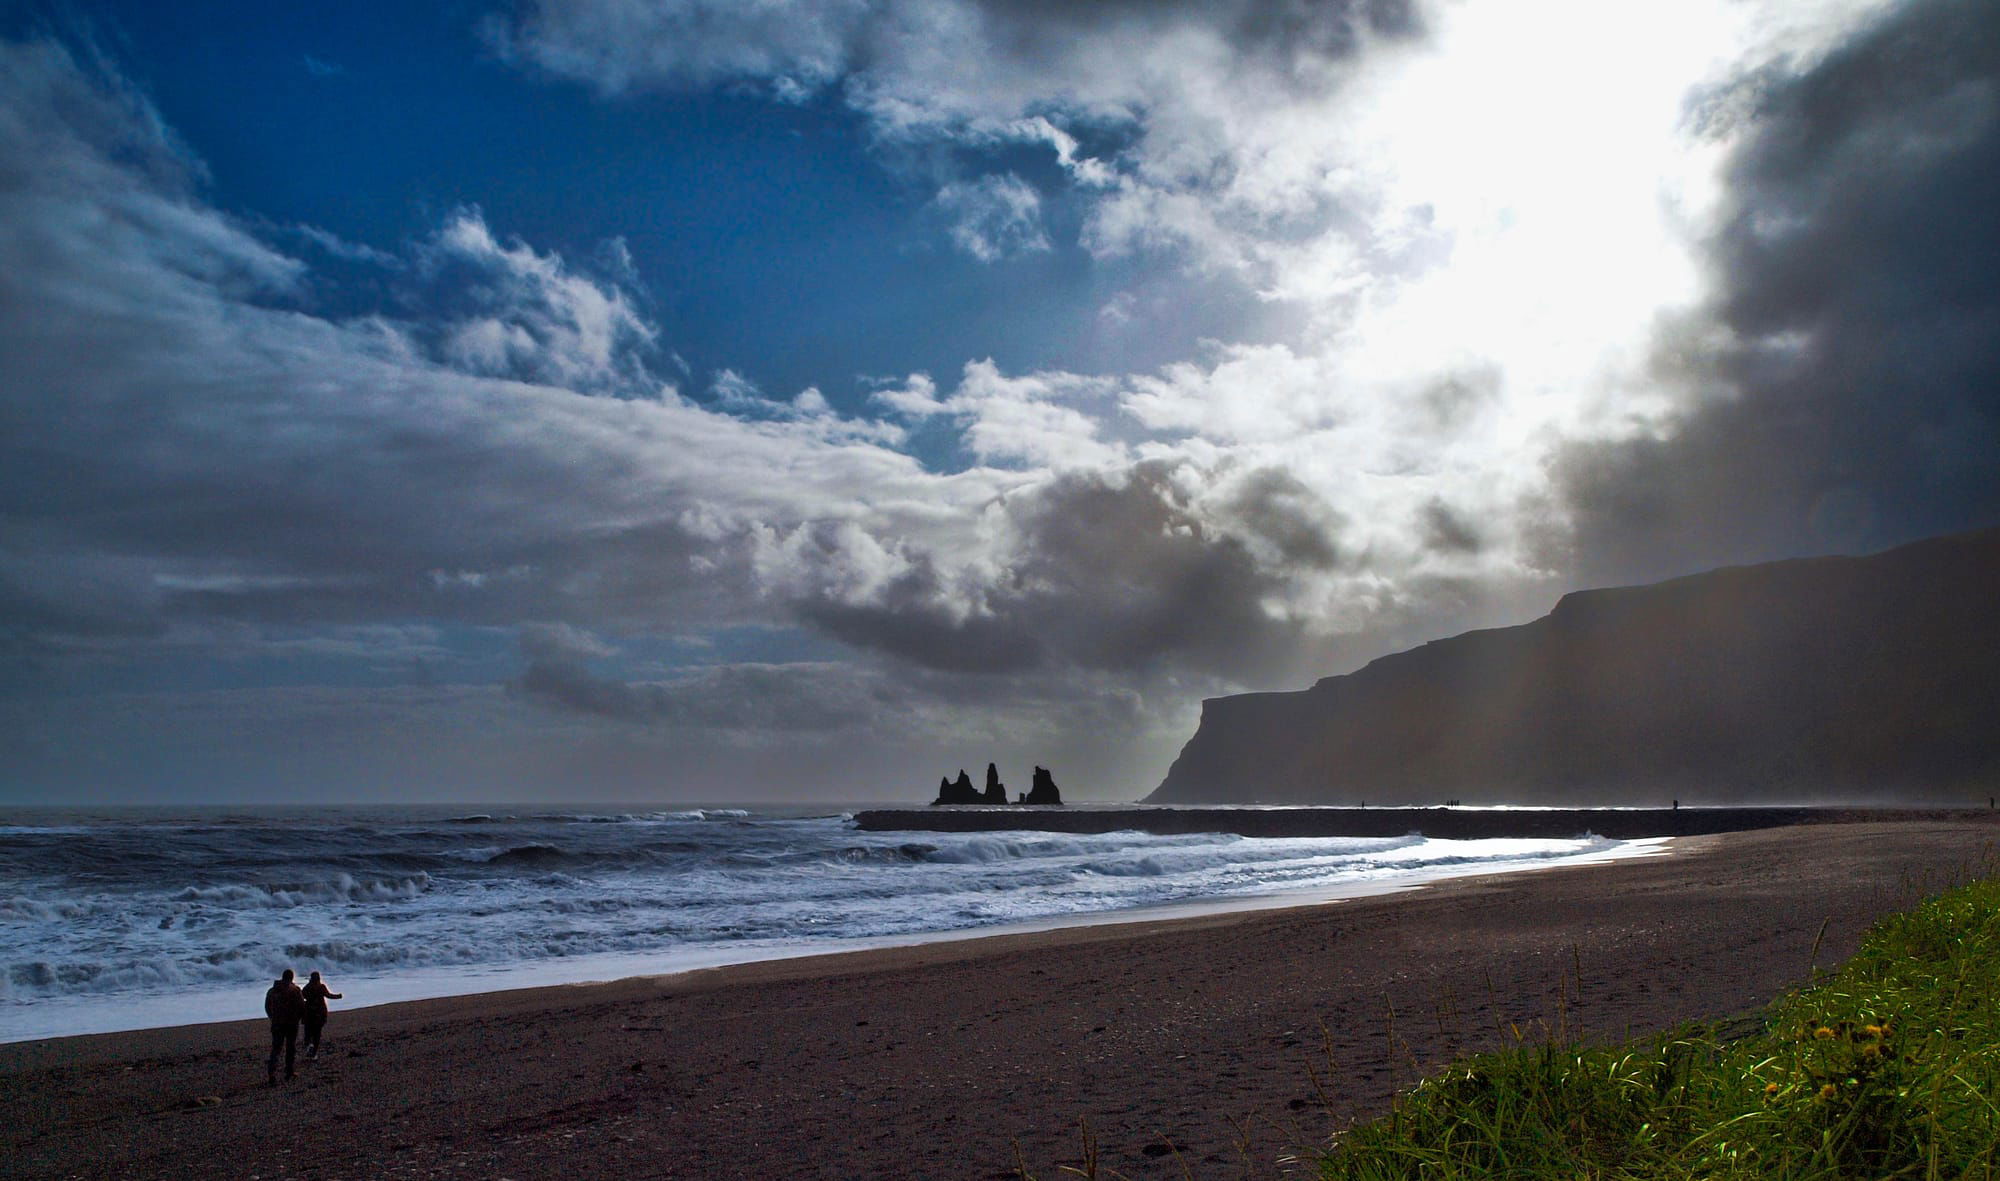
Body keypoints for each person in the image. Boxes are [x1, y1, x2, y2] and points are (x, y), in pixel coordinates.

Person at [263, 969, 306, 1083]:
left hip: (277, 1023)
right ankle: (289, 1071)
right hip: (291, 1023)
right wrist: (300, 1018)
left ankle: (272, 1073)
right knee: (290, 1047)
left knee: (276, 1049)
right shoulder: (295, 990)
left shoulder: (272, 991)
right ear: (292, 978)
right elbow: (301, 1006)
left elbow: (267, 1007)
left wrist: (272, 1017)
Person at [301, 971, 343, 1060]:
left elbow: (301, 997)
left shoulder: (307, 988)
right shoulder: (321, 987)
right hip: (320, 1013)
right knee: (317, 1034)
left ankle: (309, 1046)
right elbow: (328, 995)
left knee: (308, 1033)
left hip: (309, 1013)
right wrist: (338, 996)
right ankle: (314, 1053)